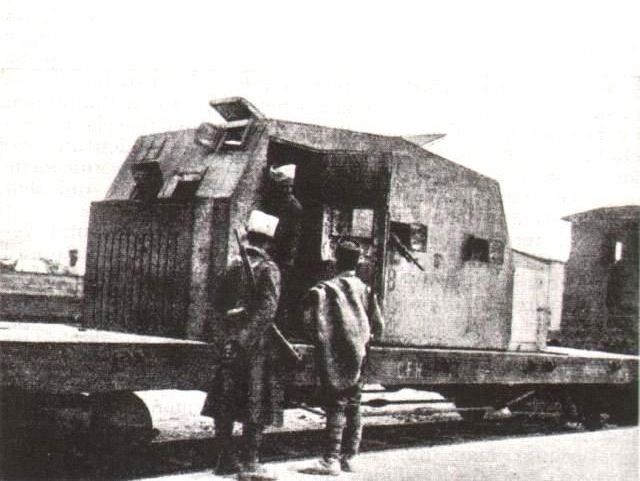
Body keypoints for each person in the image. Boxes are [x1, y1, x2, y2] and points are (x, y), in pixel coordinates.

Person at [202, 210, 282, 480]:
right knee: (255, 404)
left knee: (225, 402)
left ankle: (225, 460)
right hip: (255, 348)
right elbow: (267, 311)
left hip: (230, 343)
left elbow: (216, 306)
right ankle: (250, 462)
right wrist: (243, 340)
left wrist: (227, 337)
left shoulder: (233, 265)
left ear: (248, 236)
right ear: (268, 241)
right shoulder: (269, 269)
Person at [300, 239, 384, 476]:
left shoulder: (325, 289)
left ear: (336, 261)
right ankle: (350, 457)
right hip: (359, 356)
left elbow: (308, 321)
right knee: (354, 405)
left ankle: (330, 460)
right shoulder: (366, 290)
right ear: (357, 263)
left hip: (334, 355)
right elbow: (379, 326)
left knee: (336, 404)